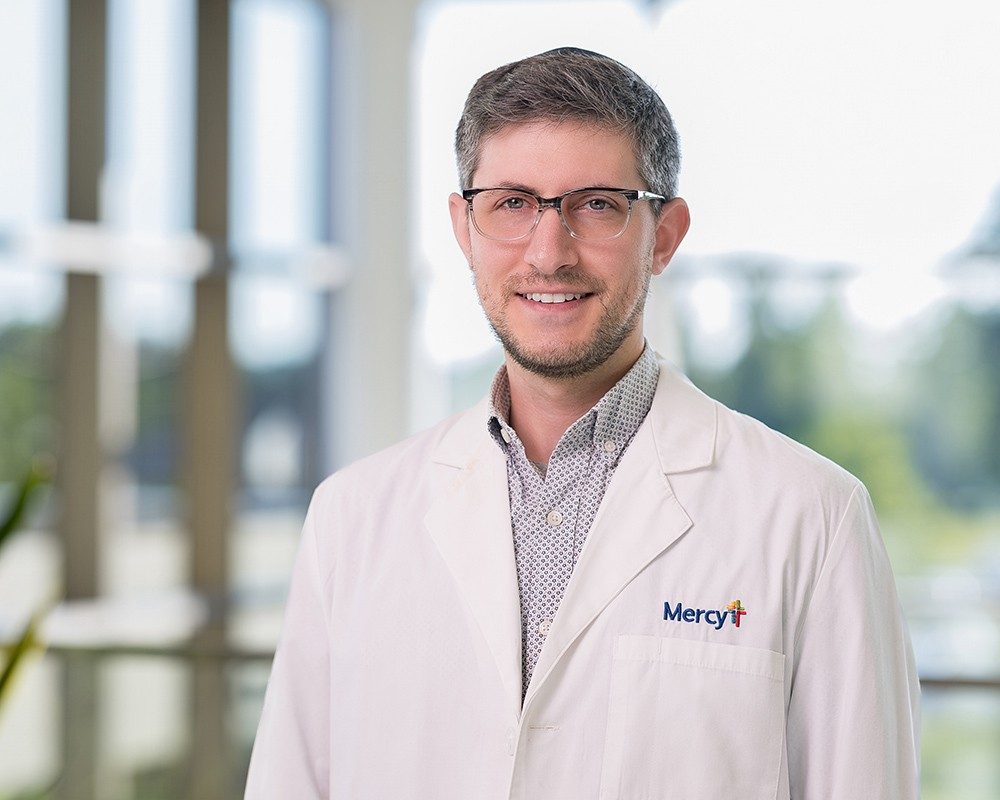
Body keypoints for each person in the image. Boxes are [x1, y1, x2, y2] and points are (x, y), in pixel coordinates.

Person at [244, 47, 920, 799]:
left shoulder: (811, 517)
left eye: (596, 204)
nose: (548, 252)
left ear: (663, 235)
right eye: (511, 203)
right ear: (464, 227)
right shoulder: (351, 517)